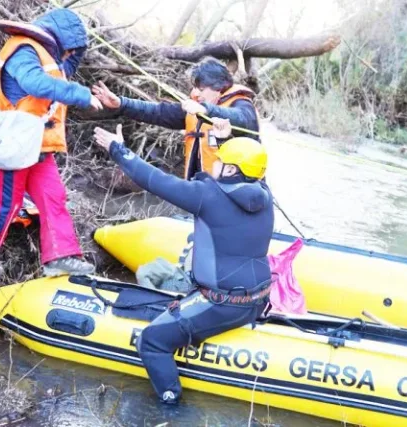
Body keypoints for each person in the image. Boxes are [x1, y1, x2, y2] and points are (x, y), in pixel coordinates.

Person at [93, 122, 274, 405]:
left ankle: (170, 404)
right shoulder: (265, 194)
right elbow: (245, 167)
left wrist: (118, 149)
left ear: (230, 170)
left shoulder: (207, 196)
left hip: (223, 304)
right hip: (259, 299)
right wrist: (218, 140)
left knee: (151, 340)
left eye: (221, 161)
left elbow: (154, 180)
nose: (215, 164)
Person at [0, 9, 102, 277]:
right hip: (10, 145)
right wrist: (80, 94)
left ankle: (60, 257)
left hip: (36, 147)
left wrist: (78, 46)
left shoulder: (52, 58)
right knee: (6, 202)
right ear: (60, 41)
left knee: (53, 198)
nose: (71, 56)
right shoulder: (22, 49)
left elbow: (64, 70)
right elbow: (34, 83)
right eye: (71, 49)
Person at [91, 56, 260, 180]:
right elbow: (158, 112)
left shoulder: (242, 105)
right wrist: (121, 103)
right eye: (195, 88)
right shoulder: (196, 107)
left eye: (201, 89)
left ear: (219, 88)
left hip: (233, 193)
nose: (195, 93)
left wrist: (207, 109)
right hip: (201, 190)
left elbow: (241, 119)